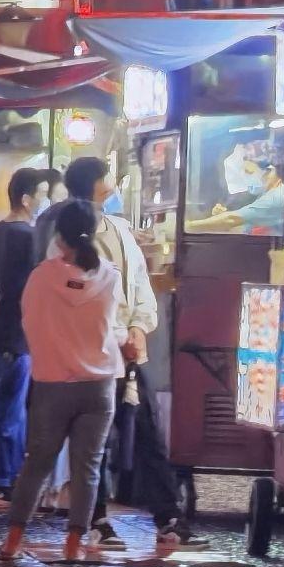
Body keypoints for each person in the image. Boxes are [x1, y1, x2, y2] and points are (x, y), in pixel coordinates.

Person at [33, 156, 175, 546]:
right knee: (93, 443)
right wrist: (118, 335)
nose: (113, 183)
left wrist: (139, 328)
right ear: (97, 183)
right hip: (94, 354)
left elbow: (139, 285)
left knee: (148, 431)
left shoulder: (121, 229)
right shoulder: (66, 237)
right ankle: (92, 520)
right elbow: (76, 296)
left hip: (128, 351)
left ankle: (169, 518)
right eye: (109, 177)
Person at [0, 202, 122, 549]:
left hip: (52, 384)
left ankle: (12, 540)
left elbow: (30, 322)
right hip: (99, 385)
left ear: (58, 235)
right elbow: (112, 327)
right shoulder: (110, 276)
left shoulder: (42, 276)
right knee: (89, 467)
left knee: (37, 462)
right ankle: (73, 542)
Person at [0, 166, 47, 501]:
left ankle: (1, 476)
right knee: (10, 409)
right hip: (19, 332)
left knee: (4, 406)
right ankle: (0, 478)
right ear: (26, 198)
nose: (45, 201)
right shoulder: (28, 237)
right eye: (43, 195)